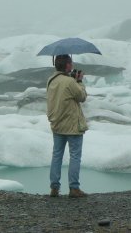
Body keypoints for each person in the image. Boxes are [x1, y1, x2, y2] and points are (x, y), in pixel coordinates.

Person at [46, 54, 88, 198]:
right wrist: (80, 81)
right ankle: (74, 188)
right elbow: (81, 97)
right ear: (68, 65)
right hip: (72, 125)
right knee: (75, 156)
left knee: (57, 155)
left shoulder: (51, 80)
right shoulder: (70, 82)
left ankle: (54, 188)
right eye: (71, 63)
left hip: (57, 124)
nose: (72, 65)